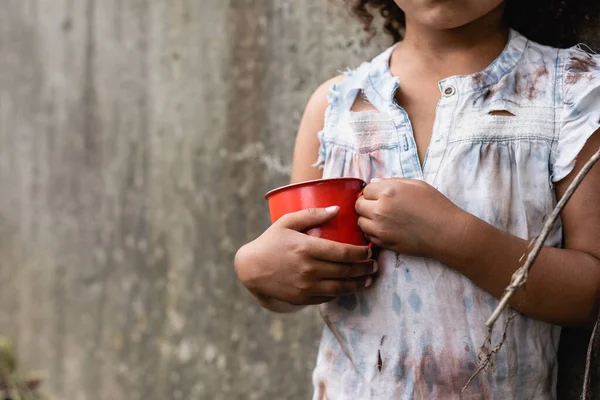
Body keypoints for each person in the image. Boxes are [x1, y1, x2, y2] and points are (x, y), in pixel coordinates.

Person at [234, 1, 600, 398]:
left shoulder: (569, 93)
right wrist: (257, 273)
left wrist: (450, 234)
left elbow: (589, 296)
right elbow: (302, 274)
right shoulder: (336, 109)